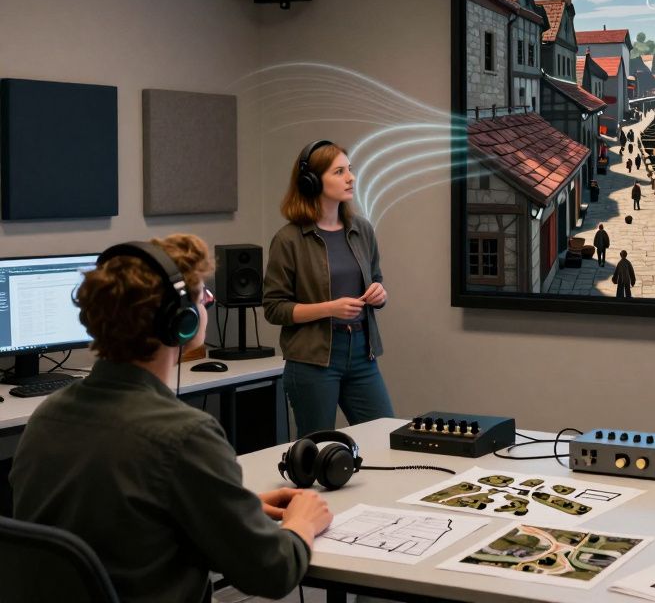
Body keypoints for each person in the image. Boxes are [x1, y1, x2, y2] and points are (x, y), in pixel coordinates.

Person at [11, 235, 333, 601]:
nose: (207, 303)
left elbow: (116, 521)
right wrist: (302, 522)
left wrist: (229, 510)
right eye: (202, 296)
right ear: (181, 320)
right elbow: (273, 573)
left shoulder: (47, 417)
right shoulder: (184, 435)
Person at [265, 140, 394, 437]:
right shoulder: (288, 240)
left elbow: (375, 277)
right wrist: (329, 309)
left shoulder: (362, 229)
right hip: (313, 359)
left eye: (350, 169)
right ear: (311, 181)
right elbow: (274, 308)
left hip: (362, 352)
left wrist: (379, 293)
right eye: (339, 172)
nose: (351, 178)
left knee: (385, 437)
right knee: (318, 448)